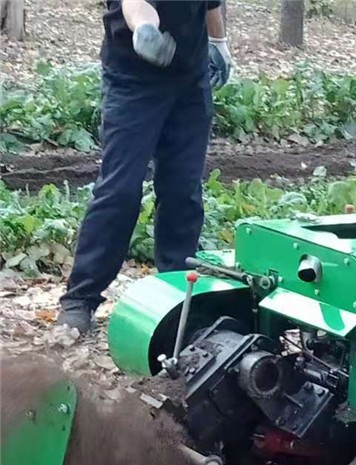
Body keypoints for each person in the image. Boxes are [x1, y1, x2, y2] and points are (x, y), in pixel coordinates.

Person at [56, 0, 234, 335]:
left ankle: (176, 302)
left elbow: (211, 4)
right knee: (119, 191)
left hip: (190, 81)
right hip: (132, 79)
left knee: (184, 192)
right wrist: (145, 30)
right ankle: (80, 300)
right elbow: (135, 4)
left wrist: (218, 44)